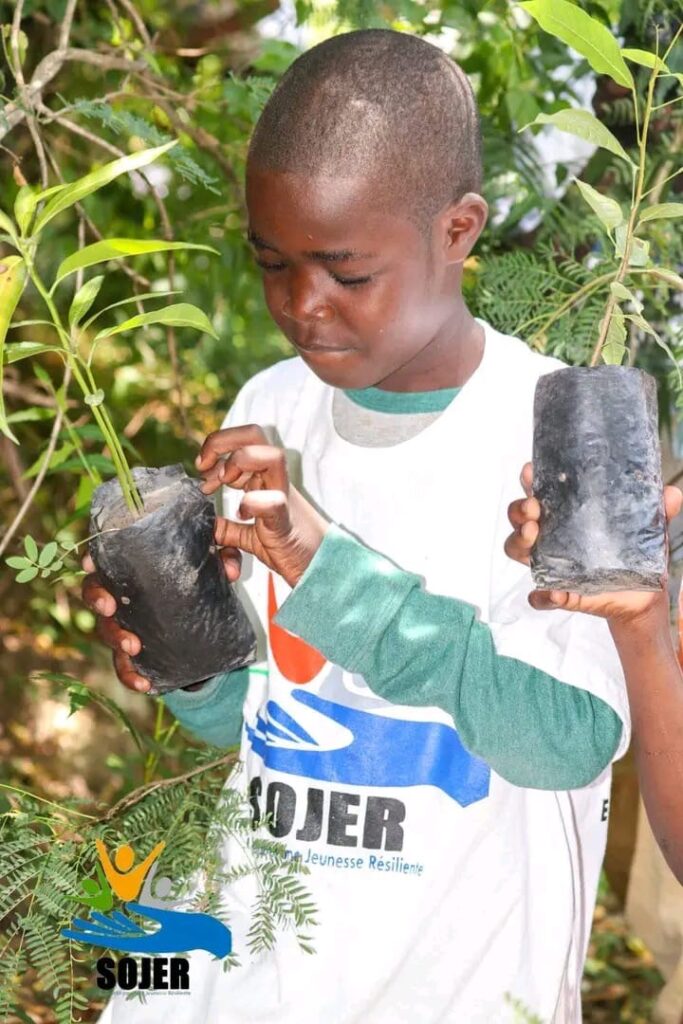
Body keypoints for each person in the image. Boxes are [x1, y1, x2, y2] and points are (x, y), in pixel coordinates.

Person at [83, 29, 682, 1024]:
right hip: (245, 975)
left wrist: (325, 568)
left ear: (457, 231)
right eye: (272, 264)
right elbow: (255, 721)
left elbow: (566, 740)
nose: (303, 308)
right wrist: (183, 656)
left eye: (344, 272)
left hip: (450, 984)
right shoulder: (271, 404)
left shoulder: (551, 434)